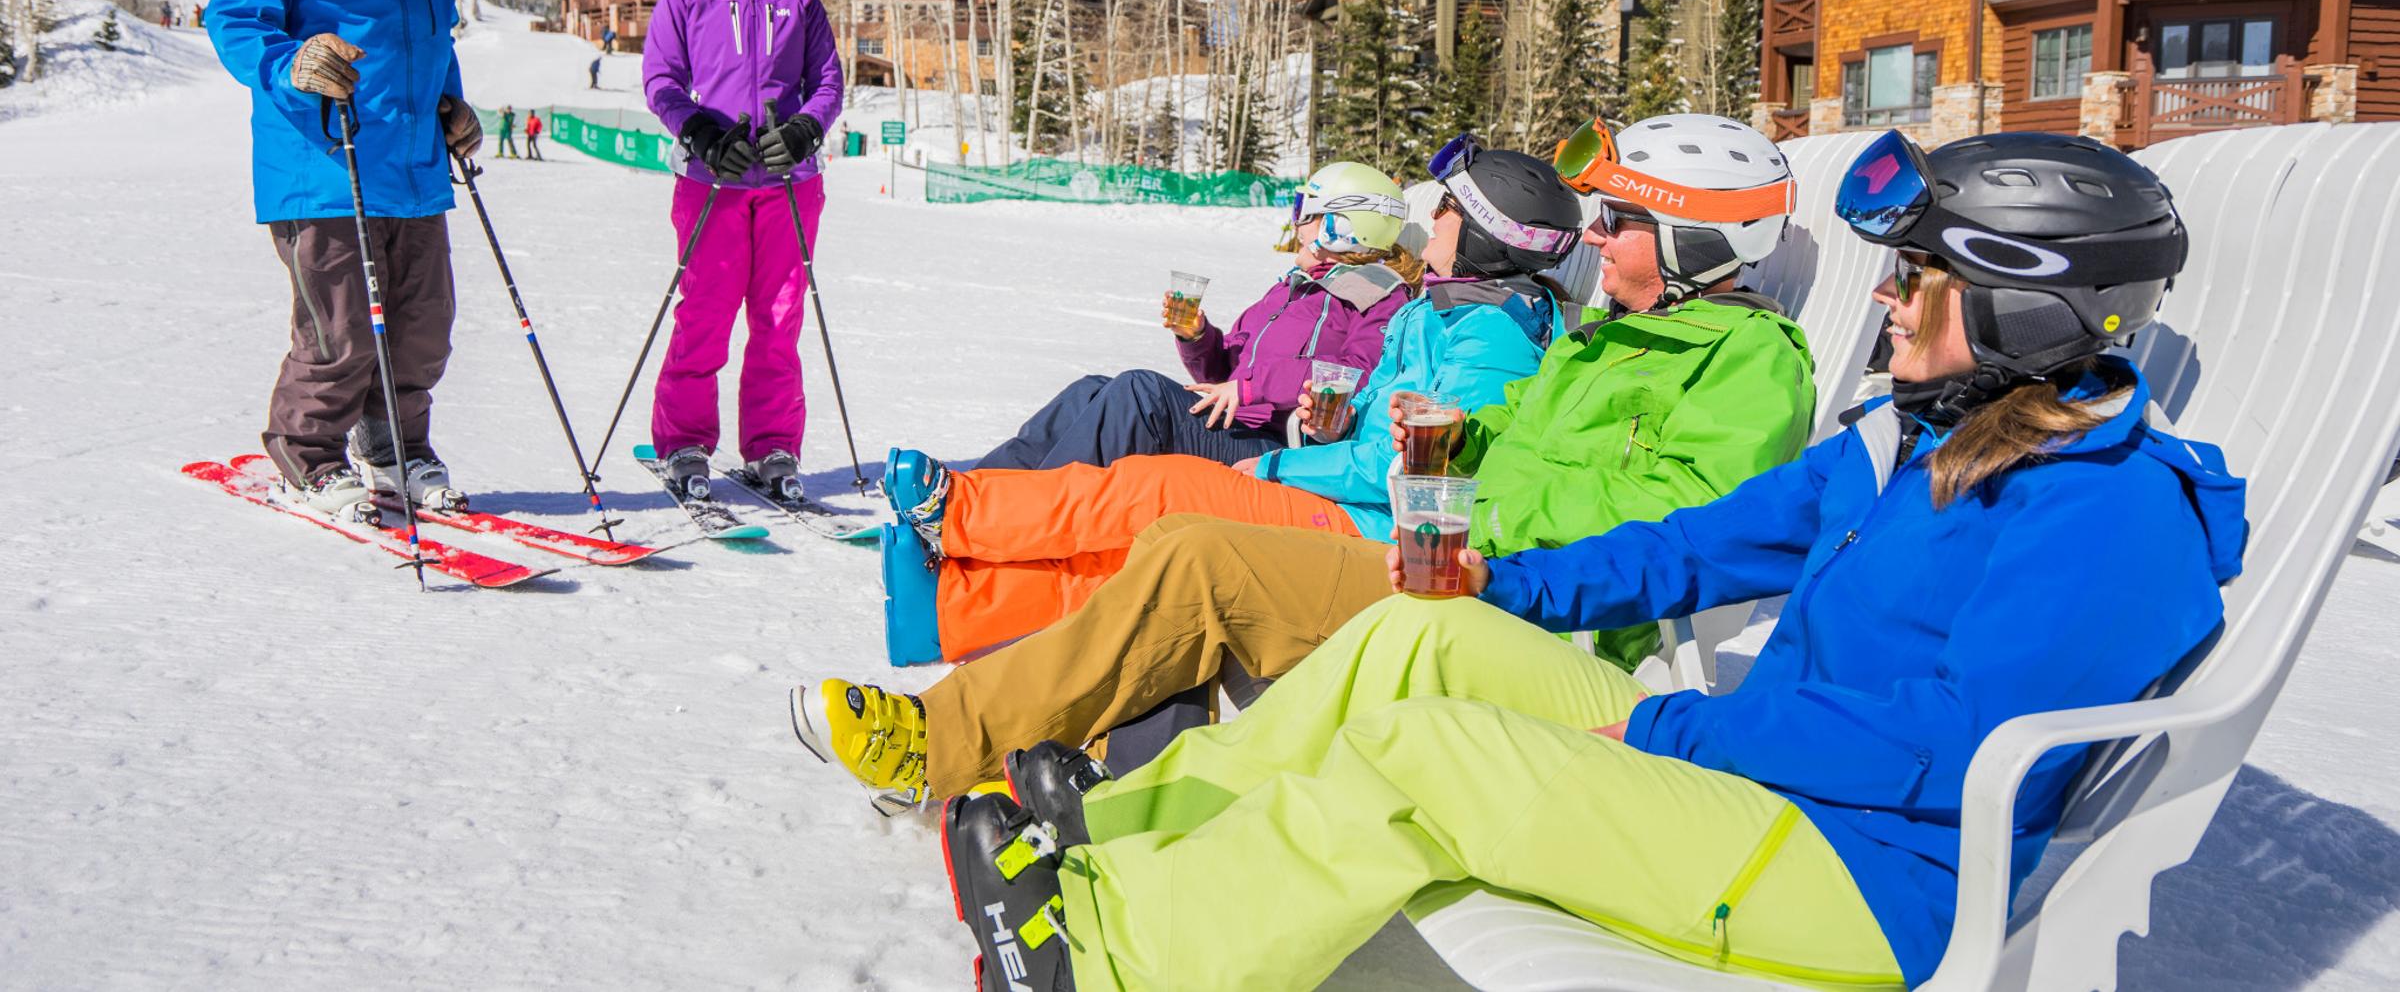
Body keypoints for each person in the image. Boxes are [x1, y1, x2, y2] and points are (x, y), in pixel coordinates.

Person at [940, 130, 2240, 992]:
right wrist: (1496, 588)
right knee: (1418, 638)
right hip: (1764, 767)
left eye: (1920, 278)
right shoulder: (1902, 440)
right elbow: (1691, 546)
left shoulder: (2109, 512)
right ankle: (1118, 835)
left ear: (2031, 302)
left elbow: (1959, 747)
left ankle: (1109, 955)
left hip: (1867, 875)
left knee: (1435, 754)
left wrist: (1677, 729)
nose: (1890, 302)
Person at [796, 115, 1814, 805]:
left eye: (1624, 222)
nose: (1600, 238)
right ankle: (960, 672)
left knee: (1185, 532)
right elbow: (1506, 447)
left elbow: (1686, 523)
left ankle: (952, 708)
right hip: (1445, 550)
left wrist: (1469, 495)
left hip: (1519, 600)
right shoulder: (1603, 339)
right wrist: (1455, 450)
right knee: (1176, 525)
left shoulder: (1750, 364)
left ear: (1695, 241)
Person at [848, 148, 1584, 674]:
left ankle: (963, 519)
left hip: (1367, 526)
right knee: (1148, 519)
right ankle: (949, 603)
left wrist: (1280, 456)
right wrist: (1207, 346)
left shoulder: (1485, 332)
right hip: (1328, 478)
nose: (1434, 224)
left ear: (1488, 235)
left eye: (1450, 211)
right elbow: (1361, 412)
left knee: (1162, 491)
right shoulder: (1437, 312)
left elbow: (1413, 466)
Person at [205, 0, 479, 519]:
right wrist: (293, 62)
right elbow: (234, 20)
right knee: (341, 334)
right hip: (325, 162)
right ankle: (311, 454)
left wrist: (452, 106)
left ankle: (396, 450)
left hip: (416, 169)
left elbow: (430, 37)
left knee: (423, 334)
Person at [974, 161, 1416, 474]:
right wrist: (1198, 337)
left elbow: (1354, 377)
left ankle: (1022, 507)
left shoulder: (1377, 298)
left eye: (1308, 210)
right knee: (1091, 390)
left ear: (1341, 226)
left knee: (1141, 393)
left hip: (1278, 445)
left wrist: (1252, 387)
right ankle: (984, 482)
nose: (1296, 221)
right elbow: (1226, 372)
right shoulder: (1294, 284)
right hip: (1236, 423)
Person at [643, 0, 843, 501]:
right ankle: (685, 443)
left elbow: (829, 84)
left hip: (789, 185)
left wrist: (808, 130)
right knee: (704, 316)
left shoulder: (801, 2)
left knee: (779, 320)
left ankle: (773, 446)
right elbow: (661, 81)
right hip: (713, 183)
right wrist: (698, 132)